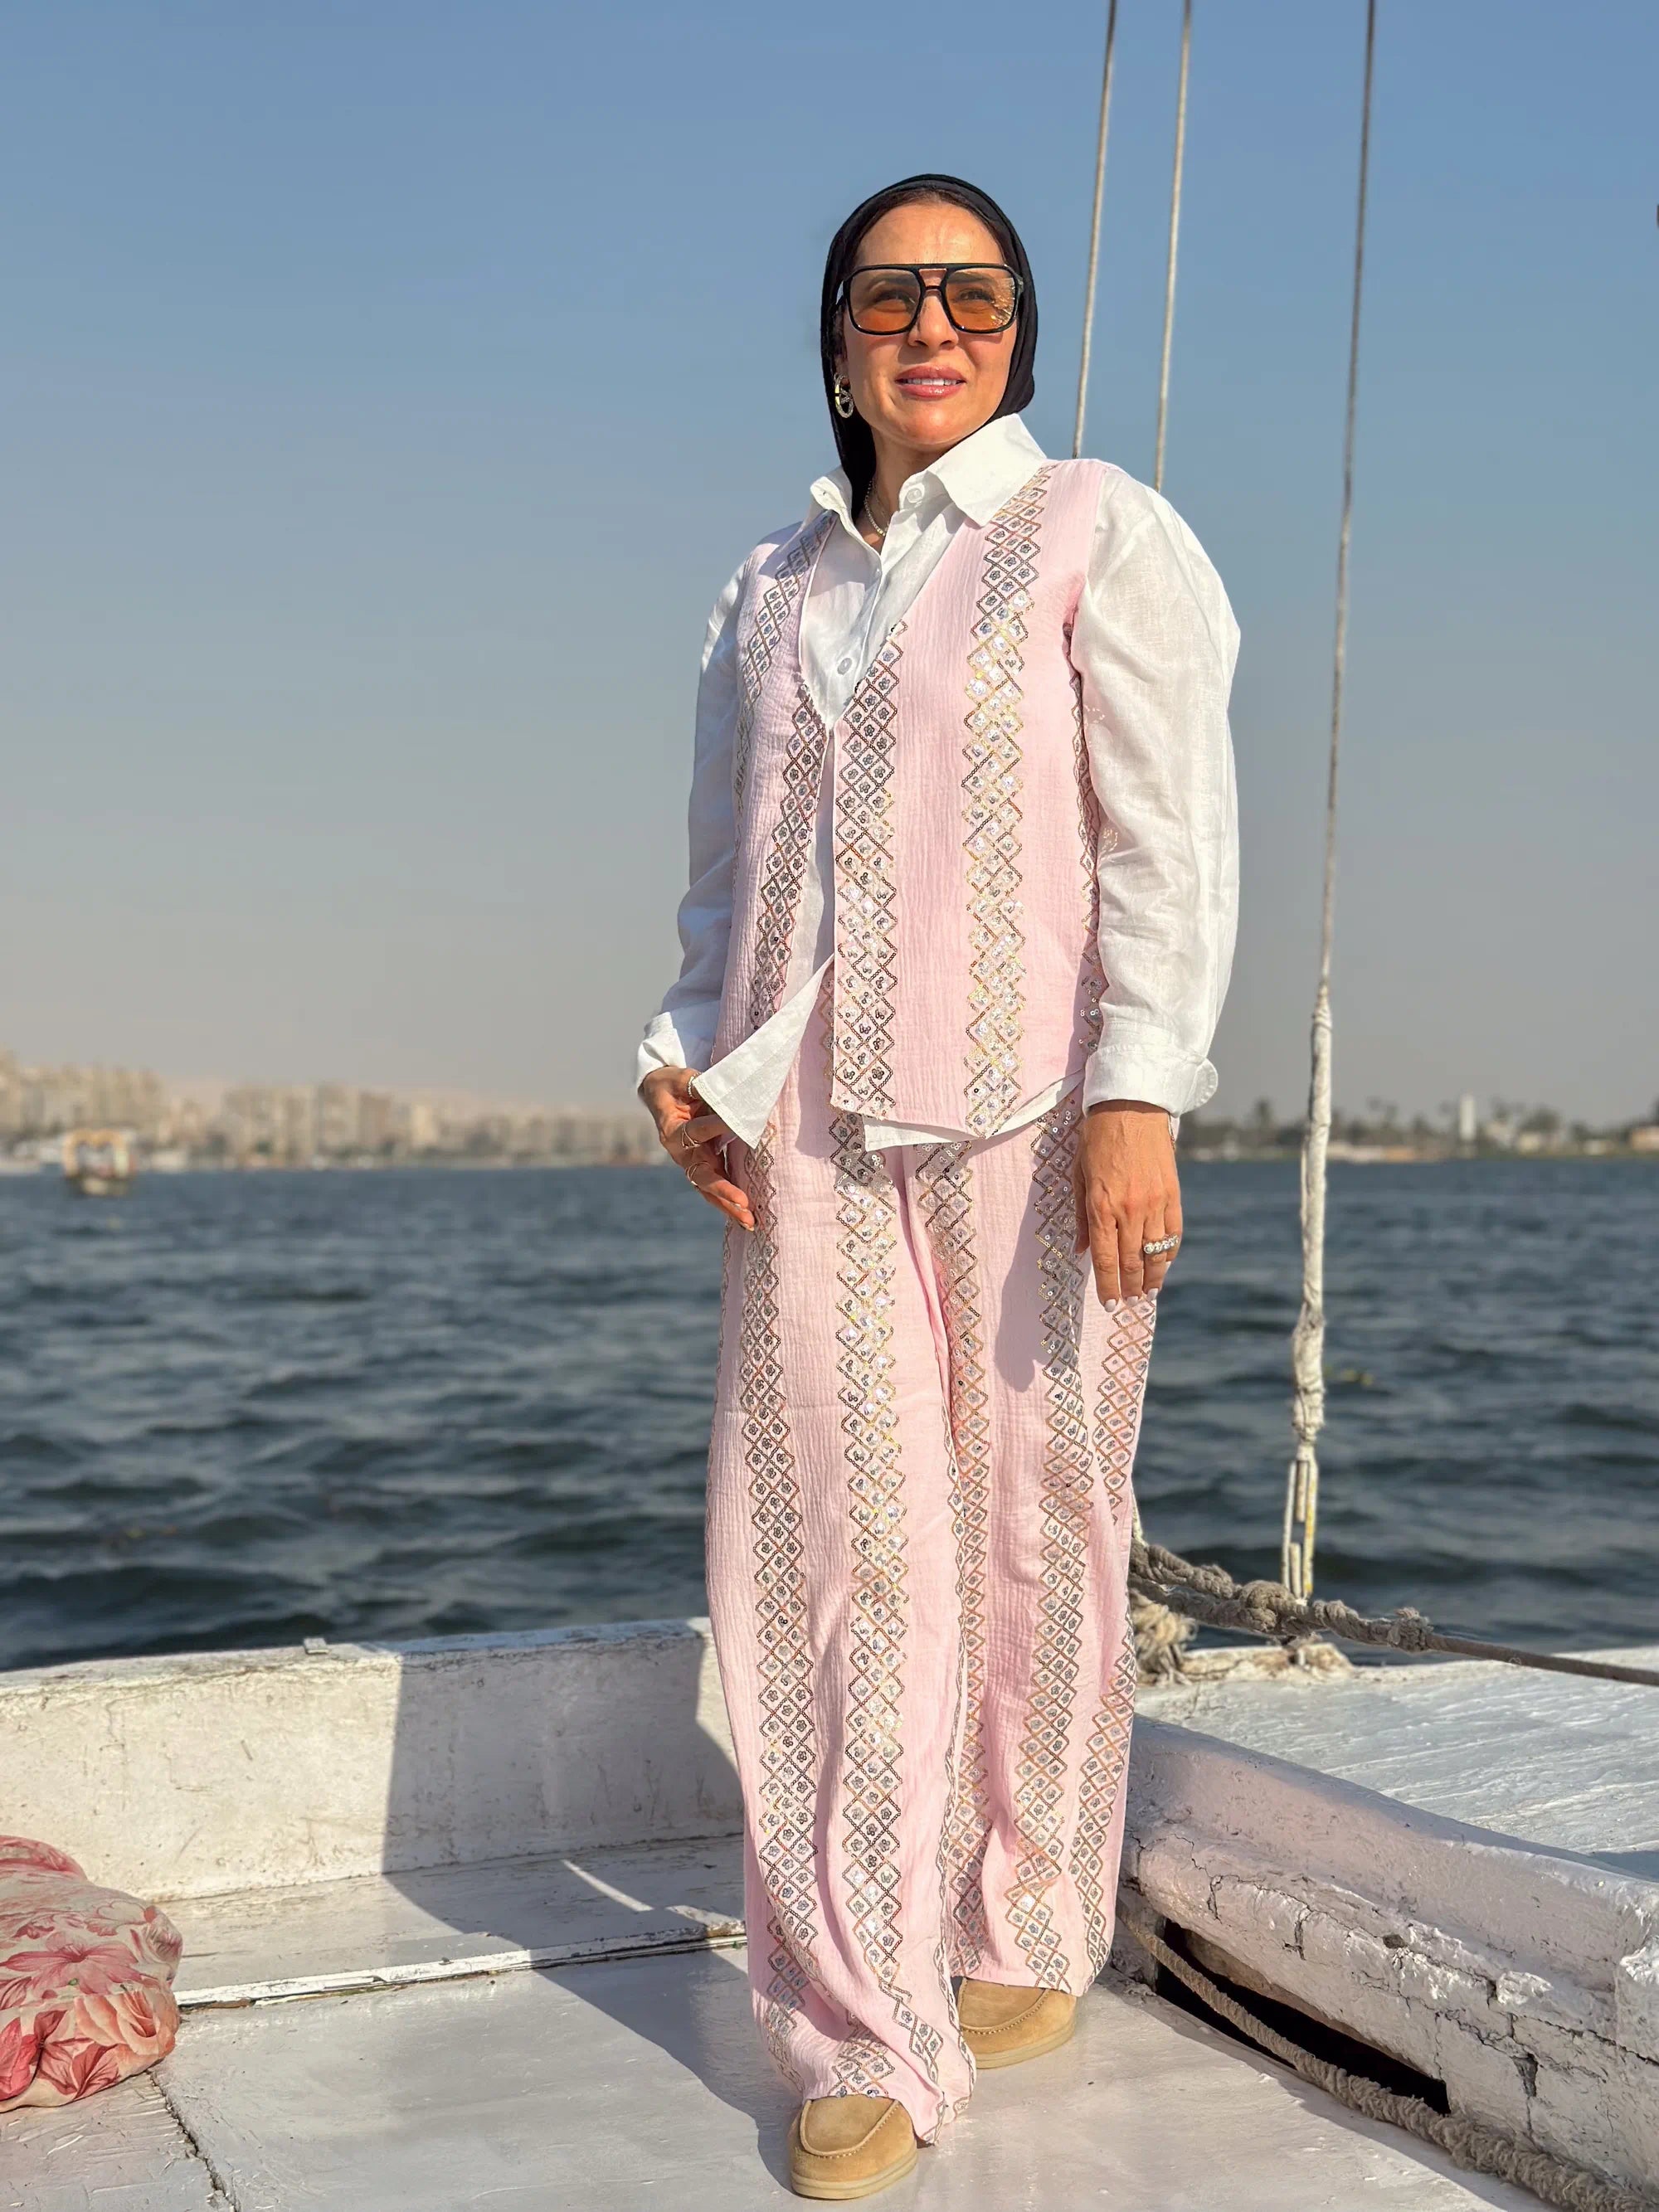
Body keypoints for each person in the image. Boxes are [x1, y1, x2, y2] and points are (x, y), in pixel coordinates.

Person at [637, 173, 1238, 2200]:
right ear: (834, 338)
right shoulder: (768, 586)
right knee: (827, 1562)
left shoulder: (1094, 529)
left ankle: (1033, 1915)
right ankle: (860, 2016)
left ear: (1016, 327)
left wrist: (1142, 1090)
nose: (930, 319)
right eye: (889, 290)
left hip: (1037, 1110)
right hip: (800, 1123)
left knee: (1042, 1516)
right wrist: (680, 1051)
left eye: (969, 290)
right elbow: (727, 873)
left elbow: (1166, 834)